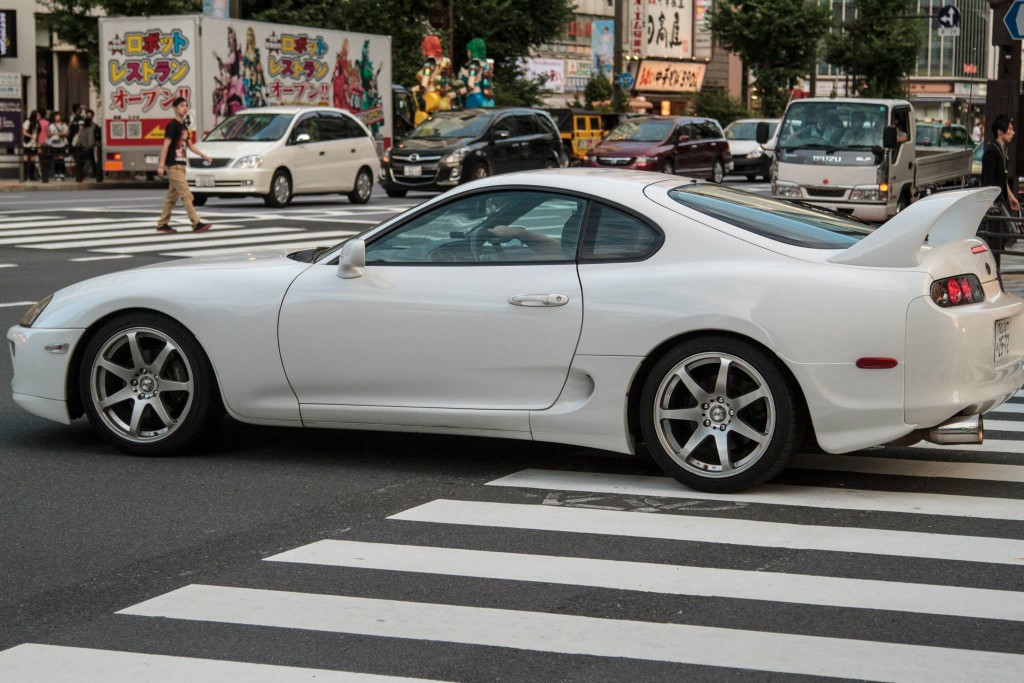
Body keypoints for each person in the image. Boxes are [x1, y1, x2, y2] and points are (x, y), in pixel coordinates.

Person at [156, 96, 212, 234]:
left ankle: (162, 224)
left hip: (181, 165)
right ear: (175, 108)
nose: (184, 108)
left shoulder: (184, 127)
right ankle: (196, 223)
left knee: (171, 197)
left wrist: (203, 155)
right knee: (187, 195)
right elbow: (166, 146)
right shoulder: (172, 126)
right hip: (173, 166)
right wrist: (161, 166)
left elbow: (190, 146)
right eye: (181, 105)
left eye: (186, 105)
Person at [980, 114, 1020, 267]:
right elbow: (987, 179)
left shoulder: (1002, 150)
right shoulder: (992, 151)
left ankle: (993, 262)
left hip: (999, 200)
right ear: (999, 131)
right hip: (992, 203)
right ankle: (991, 263)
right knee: (1005, 233)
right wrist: (989, 204)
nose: (1012, 132)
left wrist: (1010, 196)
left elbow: (1002, 178)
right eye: (1009, 129)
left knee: (1009, 234)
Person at [73, 110, 102, 182]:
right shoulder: (84, 127)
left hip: (89, 146)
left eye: (90, 116)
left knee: (88, 160)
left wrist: (94, 144)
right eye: (87, 115)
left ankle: (84, 174)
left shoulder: (94, 127)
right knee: (87, 160)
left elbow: (97, 136)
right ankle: (92, 173)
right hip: (85, 146)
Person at [47, 112, 69, 180]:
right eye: (56, 116)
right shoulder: (51, 125)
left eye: (59, 116)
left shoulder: (64, 125)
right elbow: (48, 134)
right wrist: (54, 134)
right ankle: (56, 174)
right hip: (54, 144)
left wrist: (59, 134)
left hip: (62, 144)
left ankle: (62, 174)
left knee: (61, 159)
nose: (58, 117)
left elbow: (67, 133)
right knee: (55, 159)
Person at [21, 110, 39, 180]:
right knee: (26, 158)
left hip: (34, 143)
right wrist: (31, 136)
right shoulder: (27, 122)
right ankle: (25, 175)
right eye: (37, 115)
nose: (38, 117)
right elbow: (24, 132)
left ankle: (32, 176)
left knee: (33, 159)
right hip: (27, 143)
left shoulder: (37, 123)